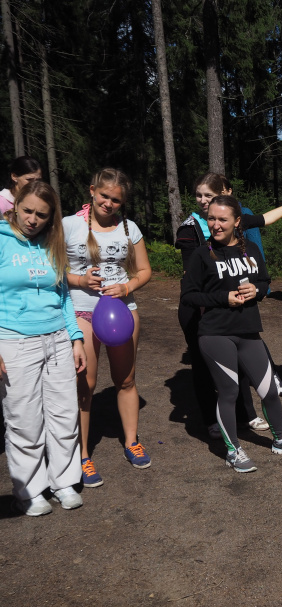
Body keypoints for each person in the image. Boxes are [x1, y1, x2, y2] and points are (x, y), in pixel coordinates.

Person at [180, 195, 282, 472]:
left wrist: (257, 290)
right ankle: (233, 450)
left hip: (249, 331)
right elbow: (189, 295)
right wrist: (222, 298)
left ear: (237, 221)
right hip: (215, 334)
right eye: (211, 219)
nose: (216, 225)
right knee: (229, 391)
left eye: (222, 219)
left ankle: (281, 439)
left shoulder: (249, 248)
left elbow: (263, 281)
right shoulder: (202, 255)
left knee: (270, 390)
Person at [0, 181, 87, 515]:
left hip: (58, 341)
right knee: (24, 419)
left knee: (64, 415)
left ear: (51, 218)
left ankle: (64, 482)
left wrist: (75, 337)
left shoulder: (53, 244)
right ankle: (30, 490)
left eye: (41, 215)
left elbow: (64, 295)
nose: (32, 219)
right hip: (14, 342)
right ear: (15, 205)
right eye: (27, 211)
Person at [63, 168, 153, 487]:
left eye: (116, 199)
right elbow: (51, 270)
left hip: (122, 312)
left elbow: (144, 271)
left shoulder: (129, 228)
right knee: (84, 385)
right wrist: (79, 279)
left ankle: (131, 442)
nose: (109, 203)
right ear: (92, 191)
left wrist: (127, 288)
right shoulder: (69, 226)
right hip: (82, 313)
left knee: (126, 380)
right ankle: (83, 456)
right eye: (104, 196)